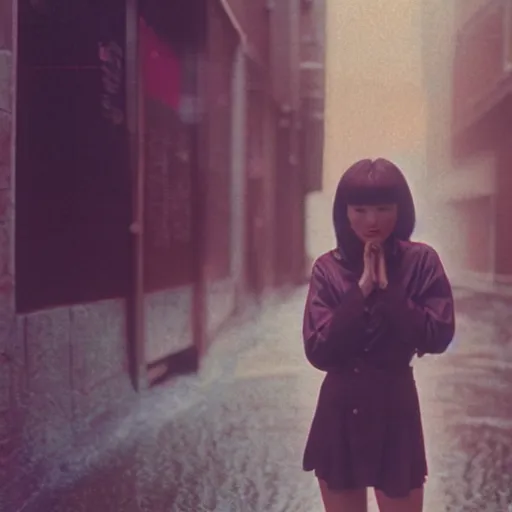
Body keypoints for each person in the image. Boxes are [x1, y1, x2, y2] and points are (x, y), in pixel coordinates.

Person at [302, 158, 455, 512]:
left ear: (400, 211)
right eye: (360, 209)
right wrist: (361, 291)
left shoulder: (422, 262)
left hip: (395, 405)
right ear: (345, 212)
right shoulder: (328, 268)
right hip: (340, 407)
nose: (372, 221)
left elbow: (438, 335)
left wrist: (389, 294)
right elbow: (318, 349)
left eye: (383, 209)